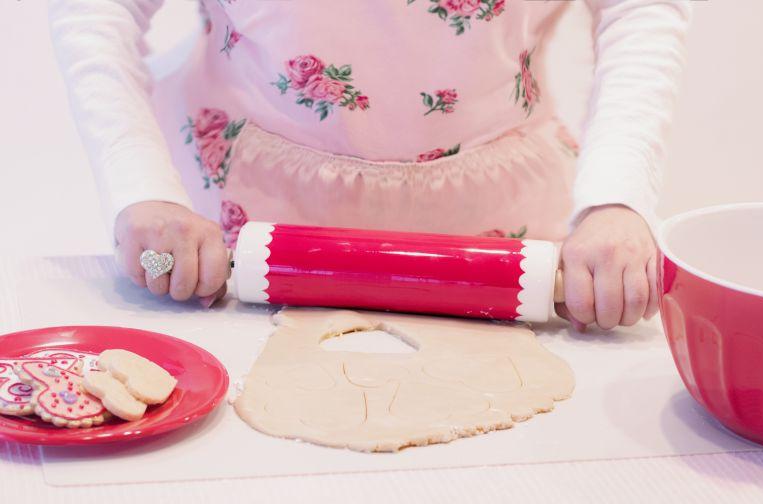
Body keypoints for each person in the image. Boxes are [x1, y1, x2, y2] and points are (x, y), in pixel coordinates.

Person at [48, 0, 691, 331]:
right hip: (235, 226)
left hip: (504, 235)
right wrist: (140, 187)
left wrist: (618, 198)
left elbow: (639, 10)